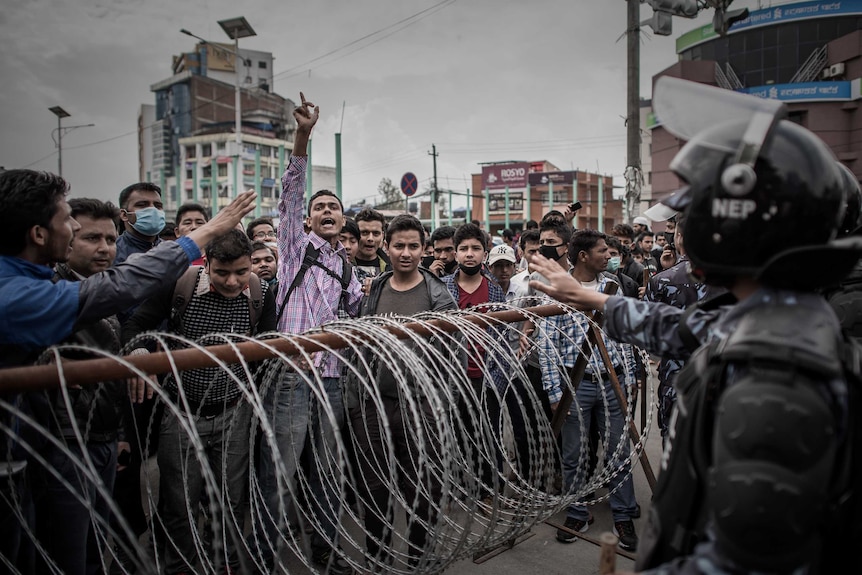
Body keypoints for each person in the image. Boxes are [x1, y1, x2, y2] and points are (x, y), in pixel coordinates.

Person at [529, 77, 861, 574]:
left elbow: (743, 562)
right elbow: (687, 330)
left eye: (691, 218)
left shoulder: (775, 386)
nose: (682, 233)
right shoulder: (778, 319)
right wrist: (589, 298)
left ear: (732, 227)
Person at [0, 168, 255, 570]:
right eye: (68, 220)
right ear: (37, 234)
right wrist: (208, 231)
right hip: (45, 449)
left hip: (64, 440)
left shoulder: (34, 282)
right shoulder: (15, 295)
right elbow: (121, 286)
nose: (73, 227)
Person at [252, 92, 362, 575]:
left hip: (332, 379)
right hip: (293, 377)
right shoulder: (295, 247)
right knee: (279, 470)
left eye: (334, 206)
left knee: (326, 472)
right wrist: (303, 135)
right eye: (319, 206)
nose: (326, 210)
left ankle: (325, 552)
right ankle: (262, 555)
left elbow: (358, 314)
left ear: (343, 219)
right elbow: (291, 191)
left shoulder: (345, 266)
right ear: (308, 218)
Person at [123, 229, 276, 574]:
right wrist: (140, 354)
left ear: (251, 264)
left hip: (234, 412)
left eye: (241, 271)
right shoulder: (181, 287)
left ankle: (228, 565)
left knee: (232, 502)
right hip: (181, 411)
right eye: (222, 273)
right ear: (207, 265)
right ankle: (181, 567)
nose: (233, 281)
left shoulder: (261, 293)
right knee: (180, 503)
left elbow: (268, 348)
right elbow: (135, 326)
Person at [347, 214, 458, 570]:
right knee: (375, 486)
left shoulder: (438, 295)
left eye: (413, 246)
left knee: (422, 488)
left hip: (421, 403)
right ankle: (378, 556)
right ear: (387, 247)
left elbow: (448, 352)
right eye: (399, 245)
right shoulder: (377, 289)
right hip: (376, 402)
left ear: (424, 250)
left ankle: (417, 558)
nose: (406, 253)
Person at [28, 198, 127, 575]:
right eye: (92, 238)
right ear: (67, 237)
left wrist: (117, 434)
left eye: (111, 238)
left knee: (95, 544)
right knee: (66, 550)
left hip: (99, 435)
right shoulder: (53, 294)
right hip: (64, 439)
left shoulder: (100, 288)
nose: (104, 248)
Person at [539, 229, 639, 552]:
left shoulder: (613, 286)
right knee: (574, 454)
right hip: (575, 384)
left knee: (618, 452)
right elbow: (546, 345)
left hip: (612, 382)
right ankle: (578, 511)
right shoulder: (557, 289)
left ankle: (623, 514)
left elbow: (624, 333)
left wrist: (631, 375)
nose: (609, 256)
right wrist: (554, 392)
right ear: (583, 256)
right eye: (602, 251)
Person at [643, 214, 723, 446]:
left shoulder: (661, 281)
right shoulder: (730, 280)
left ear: (679, 238)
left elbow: (649, 334)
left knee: (675, 446)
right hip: (718, 376)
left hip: (676, 379)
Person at [115, 182, 166, 265]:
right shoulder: (112, 252)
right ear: (124, 215)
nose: (153, 210)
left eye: (158, 206)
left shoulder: (172, 251)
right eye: (142, 205)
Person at [354, 207, 391, 278]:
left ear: (382, 236)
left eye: (376, 233)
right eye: (364, 232)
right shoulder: (341, 265)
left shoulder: (392, 269)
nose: (370, 238)